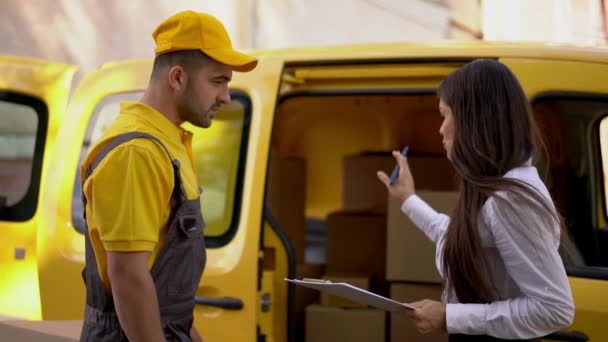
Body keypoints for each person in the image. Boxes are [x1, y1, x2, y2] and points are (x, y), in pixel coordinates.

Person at [78, 10, 257, 342]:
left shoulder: (168, 144)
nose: (226, 96)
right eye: (218, 81)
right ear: (177, 78)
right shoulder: (137, 152)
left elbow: (167, 292)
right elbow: (129, 278)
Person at [377, 59, 574, 341]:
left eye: (445, 115)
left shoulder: (510, 200)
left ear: (473, 122)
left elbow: (555, 309)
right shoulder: (494, 188)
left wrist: (449, 316)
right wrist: (408, 199)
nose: (440, 130)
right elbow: (453, 235)